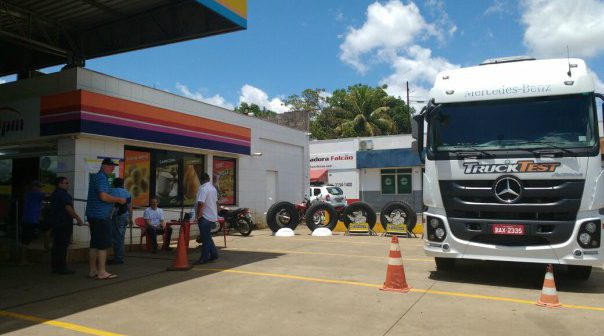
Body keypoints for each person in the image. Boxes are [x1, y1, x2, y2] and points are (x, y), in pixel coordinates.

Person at [86, 158, 126, 280]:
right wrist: (118, 200)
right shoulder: (101, 178)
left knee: (94, 243)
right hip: (101, 216)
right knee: (103, 245)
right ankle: (102, 272)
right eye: (110, 166)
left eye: (113, 166)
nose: (113, 168)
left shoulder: (96, 177)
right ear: (103, 166)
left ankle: (93, 270)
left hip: (93, 215)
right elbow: (103, 196)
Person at [50, 176, 85, 274]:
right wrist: (78, 219)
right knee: (62, 246)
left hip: (57, 223)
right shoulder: (63, 195)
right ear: (59, 184)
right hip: (63, 223)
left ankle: (56, 267)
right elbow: (68, 208)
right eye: (66, 183)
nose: (68, 184)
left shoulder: (55, 194)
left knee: (57, 246)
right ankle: (61, 268)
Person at [20, 180, 46, 265]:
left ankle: (24, 259)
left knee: (26, 240)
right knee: (25, 241)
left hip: (28, 219)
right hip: (31, 220)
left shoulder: (28, 194)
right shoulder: (35, 193)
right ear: (34, 187)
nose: (40, 189)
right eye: (39, 187)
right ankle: (23, 260)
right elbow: (49, 196)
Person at [195, 172, 218, 264]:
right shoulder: (213, 188)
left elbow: (201, 203)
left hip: (204, 216)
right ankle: (214, 254)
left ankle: (204, 258)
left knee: (205, 239)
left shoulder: (203, 188)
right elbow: (216, 202)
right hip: (212, 216)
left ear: (201, 180)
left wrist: (198, 215)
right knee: (208, 237)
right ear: (208, 179)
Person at [108, 178, 132, 265]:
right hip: (125, 217)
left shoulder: (111, 191)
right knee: (121, 237)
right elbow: (129, 207)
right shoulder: (127, 192)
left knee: (117, 237)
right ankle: (119, 256)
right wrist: (130, 218)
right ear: (122, 184)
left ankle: (118, 258)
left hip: (116, 216)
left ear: (114, 184)